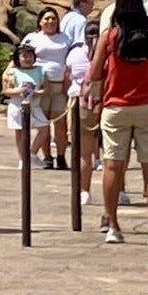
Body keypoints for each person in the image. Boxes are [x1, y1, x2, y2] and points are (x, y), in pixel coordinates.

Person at [90, 0, 148, 245]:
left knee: (113, 165)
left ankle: (113, 225)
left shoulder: (109, 37)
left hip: (115, 106)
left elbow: (94, 73)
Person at [21, 7, 72, 168]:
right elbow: (20, 56)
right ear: (40, 22)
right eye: (47, 19)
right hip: (40, 86)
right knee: (43, 124)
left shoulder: (65, 38)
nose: (50, 22)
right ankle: (47, 156)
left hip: (58, 87)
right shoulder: (32, 38)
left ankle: (62, 155)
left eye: (53, 19)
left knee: (60, 123)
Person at [67, 19, 100, 206]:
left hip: (85, 102)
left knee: (85, 152)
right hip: (97, 101)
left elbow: (69, 75)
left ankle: (85, 190)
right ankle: (118, 190)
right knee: (113, 152)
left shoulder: (76, 53)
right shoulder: (107, 53)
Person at [2, 41, 48, 169]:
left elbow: (46, 89)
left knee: (44, 129)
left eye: (30, 56)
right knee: (20, 132)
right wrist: (20, 91)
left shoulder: (40, 70)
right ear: (18, 58)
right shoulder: (13, 72)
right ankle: (23, 159)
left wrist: (37, 93)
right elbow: (6, 91)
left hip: (35, 106)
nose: (27, 59)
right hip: (18, 106)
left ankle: (32, 153)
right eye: (24, 56)